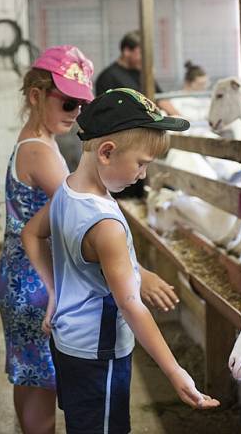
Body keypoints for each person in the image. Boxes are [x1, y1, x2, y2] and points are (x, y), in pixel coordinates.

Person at [22, 88, 219, 433]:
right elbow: (132, 307)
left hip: (68, 342)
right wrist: (175, 372)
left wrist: (55, 292)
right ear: (107, 152)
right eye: (142, 163)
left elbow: (31, 234)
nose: (143, 175)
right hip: (101, 355)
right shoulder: (106, 226)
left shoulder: (69, 190)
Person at [0, 45, 94, 434]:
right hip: (35, 282)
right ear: (36, 96)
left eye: (81, 104)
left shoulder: (36, 141)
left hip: (21, 276)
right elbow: (77, 210)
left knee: (31, 377)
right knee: (42, 383)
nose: (76, 113)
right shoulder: (39, 150)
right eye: (68, 103)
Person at [95, 31, 180, 116]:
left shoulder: (142, 73)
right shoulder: (108, 77)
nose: (145, 58)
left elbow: (161, 99)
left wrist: (180, 117)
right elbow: (106, 114)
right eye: (142, 53)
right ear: (127, 51)